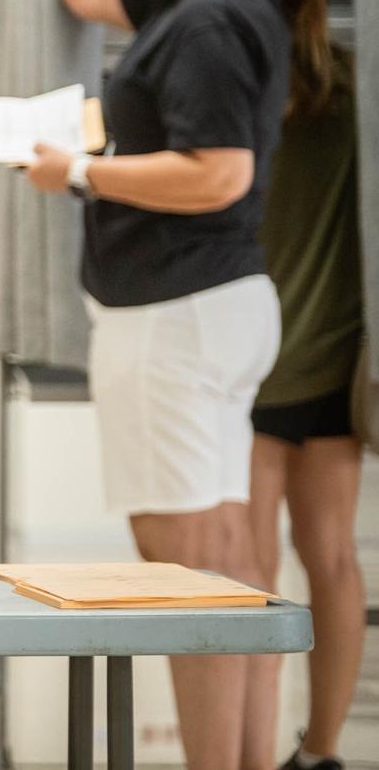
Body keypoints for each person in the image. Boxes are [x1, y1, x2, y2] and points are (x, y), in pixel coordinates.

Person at [43, 0, 325, 770]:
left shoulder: (208, 20)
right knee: (230, 563)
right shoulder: (210, 5)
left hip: (175, 317)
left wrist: (82, 170)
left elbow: (217, 174)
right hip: (210, 310)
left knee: (193, 578)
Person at [247, 39, 362, 770]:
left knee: (251, 575)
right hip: (336, 353)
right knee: (332, 556)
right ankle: (320, 750)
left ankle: (252, 755)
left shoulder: (243, 80)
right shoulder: (356, 87)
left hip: (251, 356)